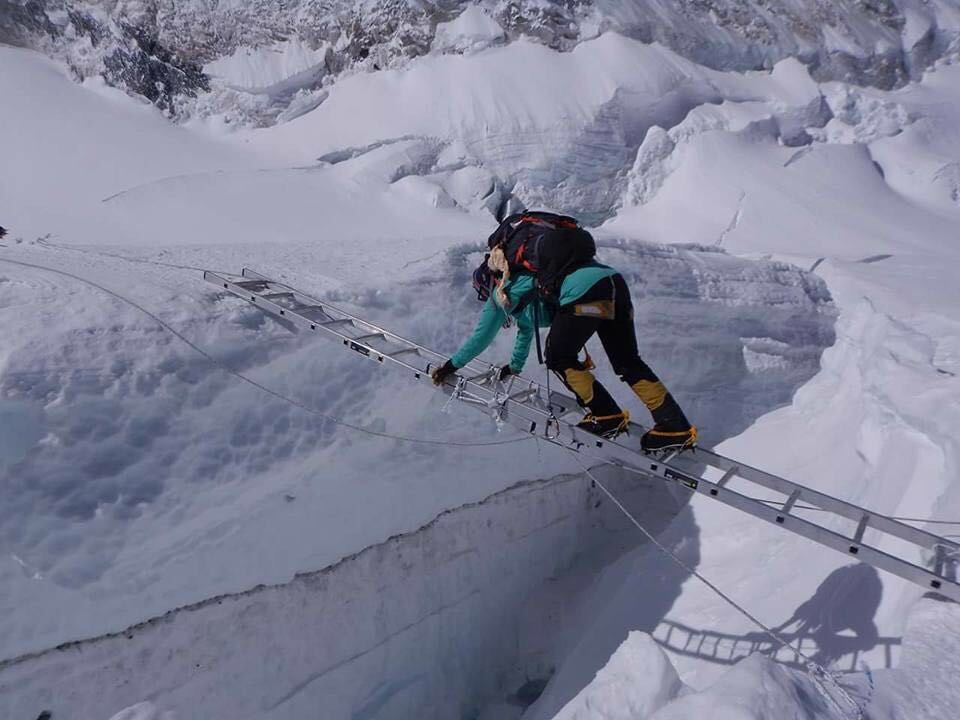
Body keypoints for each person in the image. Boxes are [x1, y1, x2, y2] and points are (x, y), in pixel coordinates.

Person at [432, 212, 697, 452]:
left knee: (558, 356)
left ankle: (606, 416)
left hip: (584, 292)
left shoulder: (500, 294)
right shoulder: (521, 286)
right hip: (613, 282)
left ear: (488, 279)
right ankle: (674, 427)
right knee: (627, 361)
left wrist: (450, 366)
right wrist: (514, 367)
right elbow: (526, 330)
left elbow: (481, 338)